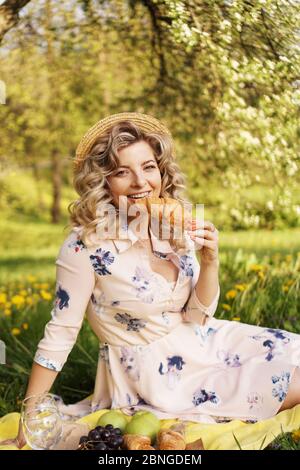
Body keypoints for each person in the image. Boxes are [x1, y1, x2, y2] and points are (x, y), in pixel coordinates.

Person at [2, 112, 300, 449]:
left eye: (148, 167)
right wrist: (29, 420)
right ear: (103, 182)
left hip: (206, 339)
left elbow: (198, 315)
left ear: (161, 172)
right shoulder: (84, 244)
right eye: (121, 172)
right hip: (160, 375)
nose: (140, 182)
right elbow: (61, 332)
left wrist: (210, 260)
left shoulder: (172, 225)